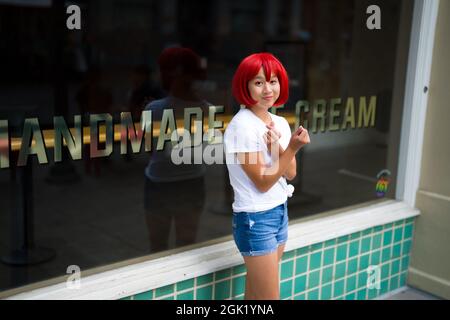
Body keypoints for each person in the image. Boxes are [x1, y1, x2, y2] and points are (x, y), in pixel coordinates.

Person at [224, 53, 311, 300]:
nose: (267, 89)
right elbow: (262, 183)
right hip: (255, 219)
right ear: (245, 86)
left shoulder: (280, 122)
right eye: (259, 82)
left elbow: (291, 173)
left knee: (256, 297)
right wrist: (292, 148)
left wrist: (280, 148)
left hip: (279, 211)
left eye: (273, 81)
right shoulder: (242, 126)